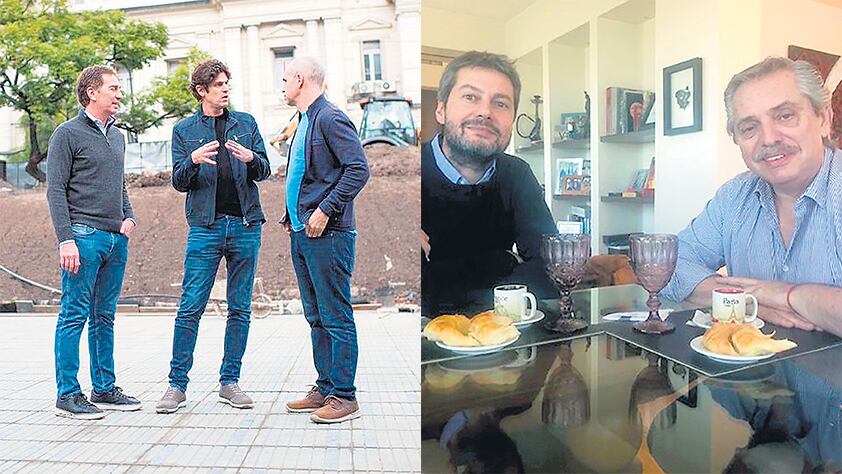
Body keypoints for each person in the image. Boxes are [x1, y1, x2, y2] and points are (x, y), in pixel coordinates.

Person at [661, 57, 842, 338]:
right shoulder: (734, 197)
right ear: (737, 140)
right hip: (749, 381)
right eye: (749, 127)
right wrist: (744, 300)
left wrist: (787, 295)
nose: (768, 138)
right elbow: (669, 264)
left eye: (785, 116)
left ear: (824, 118)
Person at [156, 59, 271, 413]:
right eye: (218, 84)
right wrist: (191, 160)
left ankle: (230, 382)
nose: (225, 89)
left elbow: (265, 170)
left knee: (240, 309)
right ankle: (176, 386)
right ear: (201, 91)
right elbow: (178, 181)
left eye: (227, 83)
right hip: (205, 229)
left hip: (245, 227)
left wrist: (252, 158)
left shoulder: (246, 123)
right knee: (190, 307)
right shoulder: (184, 130)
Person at [421, 51, 556, 316]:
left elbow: (549, 274)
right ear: (441, 109)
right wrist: (503, 260)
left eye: (501, 104)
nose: (485, 112)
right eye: (470, 97)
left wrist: (438, 271)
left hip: (506, 343)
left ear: (512, 121)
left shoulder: (517, 174)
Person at [46, 65, 141, 419]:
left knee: (105, 316)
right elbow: (55, 189)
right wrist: (65, 240)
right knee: (74, 315)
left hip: (116, 239)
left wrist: (128, 217)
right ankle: (68, 395)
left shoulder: (117, 136)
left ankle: (103, 387)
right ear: (91, 93)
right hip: (82, 238)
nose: (119, 94)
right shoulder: (66, 134)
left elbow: (120, 184)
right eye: (113, 89)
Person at [279, 56, 370, 423]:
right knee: (316, 316)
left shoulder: (329, 117)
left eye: (285, 79)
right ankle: (326, 387)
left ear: (300, 79)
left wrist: (324, 210)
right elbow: (305, 172)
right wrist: (293, 214)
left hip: (328, 233)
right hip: (303, 233)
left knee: (335, 316)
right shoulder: (303, 120)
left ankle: (345, 397)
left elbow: (358, 169)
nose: (282, 86)